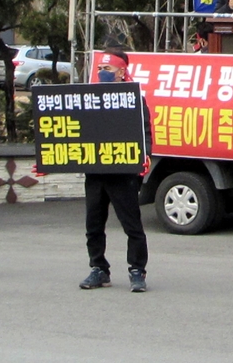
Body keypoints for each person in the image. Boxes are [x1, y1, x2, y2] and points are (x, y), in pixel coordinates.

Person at [79, 49, 153, 293]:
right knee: (93, 224)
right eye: (100, 68)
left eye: (107, 69)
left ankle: (137, 270)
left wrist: (144, 156)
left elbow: (144, 131)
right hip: (95, 172)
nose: (102, 73)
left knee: (131, 225)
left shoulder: (134, 98)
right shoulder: (88, 97)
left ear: (122, 72)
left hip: (123, 173)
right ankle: (98, 268)